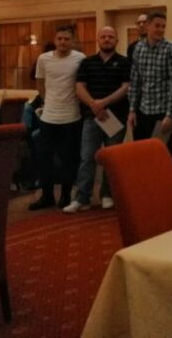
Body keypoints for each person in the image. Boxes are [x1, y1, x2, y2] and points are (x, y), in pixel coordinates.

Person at [64, 27, 130, 213]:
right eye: (103, 36)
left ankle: (107, 195)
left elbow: (126, 87)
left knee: (110, 158)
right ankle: (82, 198)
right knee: (87, 157)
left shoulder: (124, 62)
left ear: (116, 41)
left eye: (110, 36)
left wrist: (103, 103)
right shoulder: (87, 62)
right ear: (98, 40)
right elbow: (79, 87)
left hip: (115, 118)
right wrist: (95, 105)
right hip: (91, 117)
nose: (107, 39)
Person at [29, 25, 86, 211]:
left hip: (72, 116)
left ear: (72, 41)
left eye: (67, 39)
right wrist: (48, 103)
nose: (63, 42)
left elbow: (82, 84)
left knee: (69, 159)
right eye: (60, 38)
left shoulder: (80, 58)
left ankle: (65, 195)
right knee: (45, 158)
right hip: (49, 117)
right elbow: (40, 84)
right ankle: (47, 196)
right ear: (55, 40)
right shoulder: (43, 59)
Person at [127, 11, 172, 160]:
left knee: (162, 154)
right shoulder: (138, 48)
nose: (160, 29)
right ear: (147, 26)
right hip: (142, 110)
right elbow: (135, 81)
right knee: (142, 153)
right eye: (157, 26)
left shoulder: (171, 49)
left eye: (163, 26)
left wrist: (170, 115)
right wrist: (132, 110)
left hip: (163, 112)